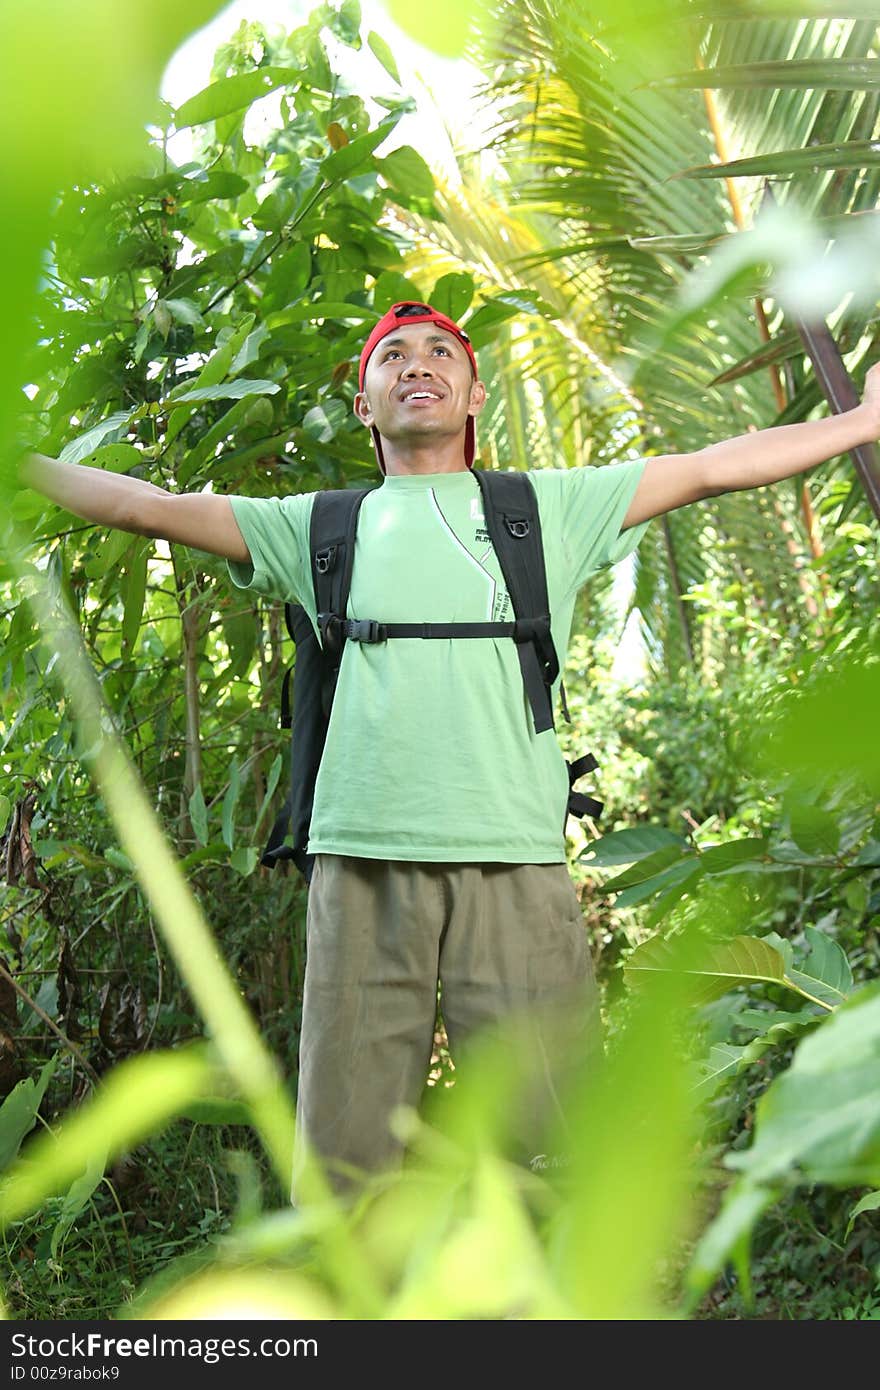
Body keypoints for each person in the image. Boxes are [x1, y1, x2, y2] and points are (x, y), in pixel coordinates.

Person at [22, 303, 880, 1200]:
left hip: (513, 853)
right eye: (391, 356)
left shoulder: (546, 509)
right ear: (365, 403)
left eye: (440, 353)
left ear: (473, 393)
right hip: (361, 855)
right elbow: (143, 507)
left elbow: (709, 469)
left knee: (550, 1131)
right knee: (348, 1148)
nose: (416, 365)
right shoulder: (315, 524)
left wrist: (860, 422)